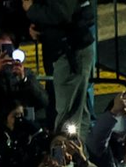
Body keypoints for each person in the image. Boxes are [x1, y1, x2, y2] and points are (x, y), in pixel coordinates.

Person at [20, 0, 95, 136]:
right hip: (67, 49)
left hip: (71, 51)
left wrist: (32, 10)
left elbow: (62, 13)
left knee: (68, 115)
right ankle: (79, 147)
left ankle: (66, 148)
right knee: (77, 111)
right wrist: (41, 28)